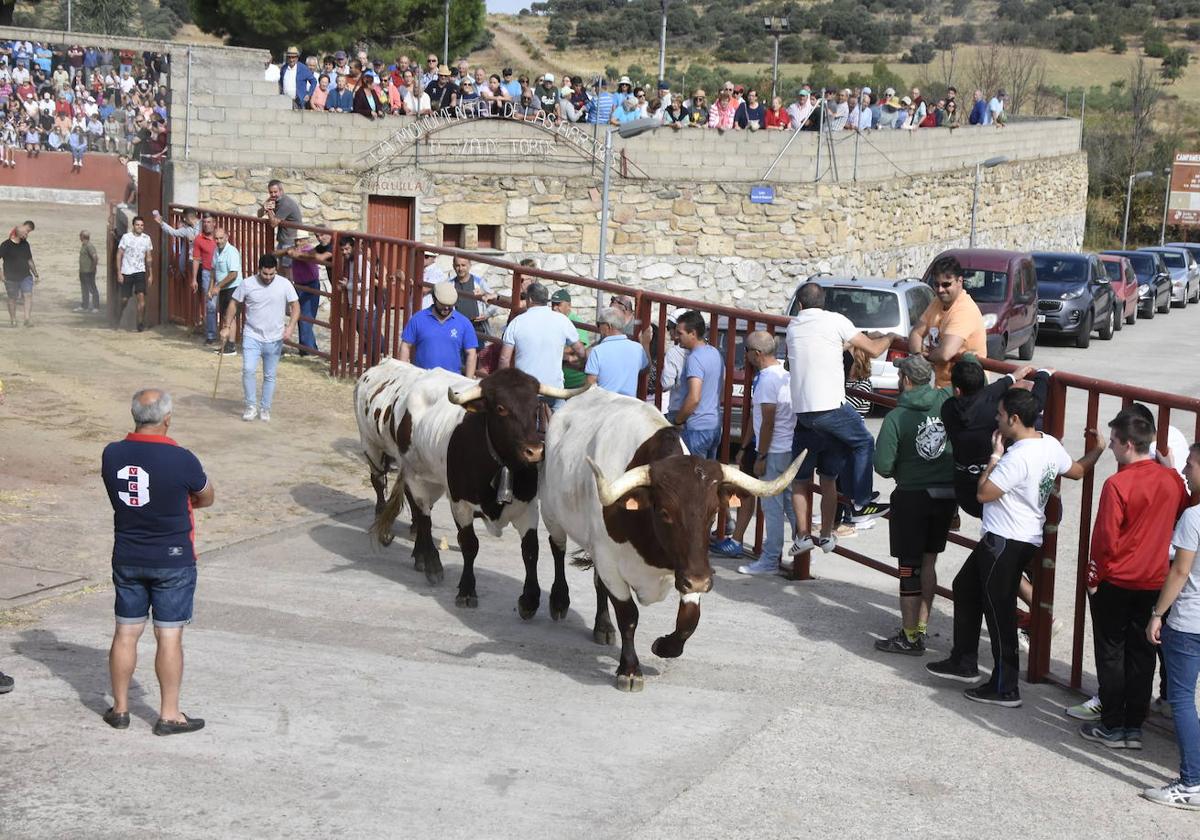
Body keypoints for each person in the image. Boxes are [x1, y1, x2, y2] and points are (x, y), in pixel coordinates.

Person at [926, 388, 1103, 706]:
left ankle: (1005, 687)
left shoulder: (1015, 457)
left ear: (1015, 419)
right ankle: (963, 661)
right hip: (1015, 538)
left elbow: (983, 494)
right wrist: (1098, 450)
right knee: (965, 586)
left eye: (1001, 414)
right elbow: (1077, 470)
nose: (997, 418)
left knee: (999, 612)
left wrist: (993, 456)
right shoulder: (1048, 444)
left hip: (1005, 540)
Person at [101, 388, 214, 735]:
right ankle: (168, 714)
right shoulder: (182, 459)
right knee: (168, 637)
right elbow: (206, 497)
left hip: (128, 554)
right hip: (172, 558)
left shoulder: (112, 453)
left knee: (126, 632)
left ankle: (120, 709)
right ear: (167, 419)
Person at [1080, 407, 1188, 748]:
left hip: (1117, 580)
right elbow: (1184, 505)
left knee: (1111, 652)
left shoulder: (1117, 484)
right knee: (1142, 654)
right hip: (1154, 581)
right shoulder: (1170, 481)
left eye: (1112, 442)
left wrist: (1093, 577)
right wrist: (1170, 469)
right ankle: (1132, 727)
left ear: (1128, 444)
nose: (1110, 447)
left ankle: (1112, 724)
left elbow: (1105, 540)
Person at [786, 282, 894, 557]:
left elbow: (824, 344)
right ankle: (860, 504)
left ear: (800, 305)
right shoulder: (836, 320)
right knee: (862, 444)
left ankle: (804, 536)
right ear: (824, 303)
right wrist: (891, 337)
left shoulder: (793, 326)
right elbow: (873, 349)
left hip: (804, 415)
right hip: (830, 409)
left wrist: (843, 341)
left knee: (802, 479)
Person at [872, 355, 956, 655]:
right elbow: (974, 370)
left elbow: (882, 465)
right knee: (929, 562)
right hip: (946, 496)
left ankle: (909, 637)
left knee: (909, 568)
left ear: (906, 381)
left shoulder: (897, 417)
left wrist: (903, 470)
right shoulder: (946, 399)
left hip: (912, 498)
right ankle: (921, 627)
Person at [1144, 442, 1200, 809]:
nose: (1185, 469)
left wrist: (1157, 613)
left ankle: (1192, 782)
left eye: (1191, 465)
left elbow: (1180, 571)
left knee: (1181, 699)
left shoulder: (1194, 518)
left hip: (1189, 620)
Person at [941, 359, 1049, 517]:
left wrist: (1010, 378)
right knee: (1035, 423)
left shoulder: (948, 408)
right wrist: (1043, 376)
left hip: (964, 491)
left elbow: (979, 397)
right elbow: (1035, 405)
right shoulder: (995, 413)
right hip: (995, 487)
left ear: (957, 390)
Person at [736, 331, 798, 576]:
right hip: (787, 448)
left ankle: (770, 559)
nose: (746, 356)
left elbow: (768, 422)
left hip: (774, 451)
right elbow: (760, 418)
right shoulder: (785, 375)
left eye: (747, 351)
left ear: (757, 354)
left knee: (771, 508)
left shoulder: (767, 381)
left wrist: (760, 456)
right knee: (791, 505)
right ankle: (801, 553)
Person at [220, 254, 299, 422]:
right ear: (259, 270)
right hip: (252, 334)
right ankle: (250, 406)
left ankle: (265, 408)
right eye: (265, 274)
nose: (268, 278)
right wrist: (227, 326)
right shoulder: (248, 283)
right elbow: (234, 303)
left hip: (275, 337)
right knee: (248, 370)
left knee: (269, 375)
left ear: (276, 270)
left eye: (272, 274)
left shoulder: (285, 284)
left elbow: (295, 305)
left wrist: (291, 326)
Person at [909, 255, 987, 388]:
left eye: (946, 284)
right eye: (936, 284)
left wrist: (925, 357)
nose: (940, 290)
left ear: (959, 281)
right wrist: (918, 355)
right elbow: (916, 333)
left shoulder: (964, 310)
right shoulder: (937, 302)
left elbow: (946, 353)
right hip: (943, 385)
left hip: (966, 389)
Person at [499, 282, 585, 399]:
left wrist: (503, 384)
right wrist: (583, 365)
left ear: (529, 299)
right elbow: (580, 351)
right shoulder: (562, 320)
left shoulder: (517, 322)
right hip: (554, 389)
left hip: (525, 389)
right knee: (558, 413)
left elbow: (504, 359)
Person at [671, 310, 723, 459]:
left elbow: (694, 398)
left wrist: (677, 421)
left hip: (696, 429)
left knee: (692, 479)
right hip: (714, 426)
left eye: (680, 333)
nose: (676, 337)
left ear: (692, 333)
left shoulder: (695, 359)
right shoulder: (714, 352)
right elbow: (722, 387)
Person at [399, 281, 478, 376]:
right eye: (442, 304)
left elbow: (471, 353)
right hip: (422, 379)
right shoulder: (418, 319)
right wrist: (403, 373)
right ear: (433, 299)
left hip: (451, 380)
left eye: (450, 304)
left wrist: (468, 381)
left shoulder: (464, 323)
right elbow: (405, 345)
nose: (446, 308)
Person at [584, 307, 648, 396]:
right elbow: (647, 368)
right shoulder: (638, 348)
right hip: (629, 405)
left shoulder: (597, 351)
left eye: (599, 324)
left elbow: (590, 387)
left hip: (604, 406)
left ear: (608, 326)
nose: (598, 328)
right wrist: (646, 345)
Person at [282, 230, 321, 356]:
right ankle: (308, 348)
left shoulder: (309, 249)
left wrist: (295, 254)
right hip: (299, 285)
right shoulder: (294, 249)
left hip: (309, 285)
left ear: (306, 240)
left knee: (306, 317)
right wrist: (289, 251)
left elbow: (311, 256)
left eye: (300, 240)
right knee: (301, 317)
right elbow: (278, 252)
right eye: (296, 240)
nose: (298, 242)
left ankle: (308, 350)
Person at [257, 179, 302, 279]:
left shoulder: (286, 203)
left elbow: (273, 224)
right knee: (280, 269)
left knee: (287, 271)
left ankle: (289, 293)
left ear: (281, 191)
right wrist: (264, 208)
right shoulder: (274, 200)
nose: (273, 194)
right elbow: (259, 214)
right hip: (283, 240)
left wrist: (268, 210)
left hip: (290, 241)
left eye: (275, 192)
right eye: (271, 192)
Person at [208, 227, 242, 356]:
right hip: (223, 287)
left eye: (221, 238)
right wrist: (211, 287)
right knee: (224, 315)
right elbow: (213, 271)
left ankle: (231, 346)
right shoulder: (216, 251)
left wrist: (218, 286)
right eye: (216, 238)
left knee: (230, 316)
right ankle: (226, 344)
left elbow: (233, 274)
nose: (218, 241)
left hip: (233, 287)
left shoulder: (232, 251)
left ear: (227, 237)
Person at [116, 215, 152, 332]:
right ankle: (119, 315)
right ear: (133, 226)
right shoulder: (126, 238)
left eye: (141, 225)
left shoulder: (146, 238)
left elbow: (149, 257)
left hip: (140, 271)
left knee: (142, 300)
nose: (140, 227)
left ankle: (140, 323)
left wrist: (151, 273)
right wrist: (119, 272)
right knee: (124, 300)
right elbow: (119, 255)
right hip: (127, 271)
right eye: (137, 225)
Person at [450, 255, 498, 340]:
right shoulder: (449, 284)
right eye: (457, 265)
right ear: (453, 266)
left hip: (477, 328)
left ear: (469, 265)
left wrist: (486, 314)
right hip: (456, 327)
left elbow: (494, 302)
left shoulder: (479, 282)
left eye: (463, 265)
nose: (460, 269)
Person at [1, 220, 38, 328]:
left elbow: (30, 260)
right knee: (12, 299)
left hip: (25, 276)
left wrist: (36, 274)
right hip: (11, 277)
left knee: (28, 295)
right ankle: (13, 320)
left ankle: (27, 319)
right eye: (26, 233)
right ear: (18, 233)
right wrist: (1, 274)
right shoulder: (5, 245)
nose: (27, 234)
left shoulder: (25, 244)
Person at [189, 213, 218, 346]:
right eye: (204, 222)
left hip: (223, 273)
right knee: (211, 305)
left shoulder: (220, 236)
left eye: (209, 222)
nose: (206, 224)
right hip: (207, 273)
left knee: (226, 303)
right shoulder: (199, 239)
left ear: (214, 223)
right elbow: (196, 259)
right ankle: (211, 335)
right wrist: (194, 278)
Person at [76, 228, 99, 313]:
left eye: (80, 236)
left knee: (92, 289)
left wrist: (93, 268)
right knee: (84, 289)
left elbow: (95, 257)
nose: (79, 237)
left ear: (83, 237)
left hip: (88, 271)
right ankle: (84, 306)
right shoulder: (84, 245)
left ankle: (96, 306)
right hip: (83, 271)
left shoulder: (89, 246)